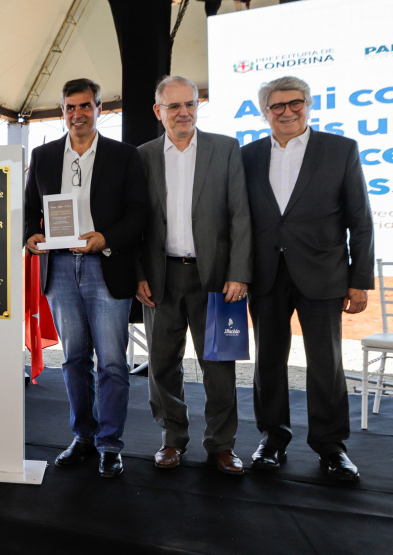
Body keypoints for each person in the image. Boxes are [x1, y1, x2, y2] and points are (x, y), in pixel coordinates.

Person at [241, 76, 374, 482]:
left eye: (294, 103)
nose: (286, 111)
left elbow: (360, 221)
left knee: (326, 364)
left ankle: (331, 447)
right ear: (265, 112)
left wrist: (360, 279)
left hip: (324, 274)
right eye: (276, 106)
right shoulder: (246, 156)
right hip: (265, 276)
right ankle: (272, 440)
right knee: (267, 362)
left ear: (308, 104)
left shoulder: (340, 150)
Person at [24, 78, 149, 478]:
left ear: (99, 108)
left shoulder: (124, 156)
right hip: (59, 269)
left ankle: (110, 444)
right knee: (75, 359)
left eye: (85, 106)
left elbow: (139, 213)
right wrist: (31, 235)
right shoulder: (43, 156)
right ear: (62, 111)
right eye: (69, 107)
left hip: (105, 266)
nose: (77, 114)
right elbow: (28, 209)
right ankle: (83, 436)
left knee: (112, 362)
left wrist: (105, 239)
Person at [136, 75, 252, 475]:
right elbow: (136, 222)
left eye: (190, 104)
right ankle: (172, 440)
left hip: (218, 281)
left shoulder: (225, 148)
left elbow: (240, 215)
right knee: (161, 364)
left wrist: (239, 273)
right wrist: (138, 274)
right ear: (158, 111)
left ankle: (222, 445)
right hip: (161, 277)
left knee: (219, 366)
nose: (184, 112)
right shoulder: (144, 155)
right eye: (174, 106)